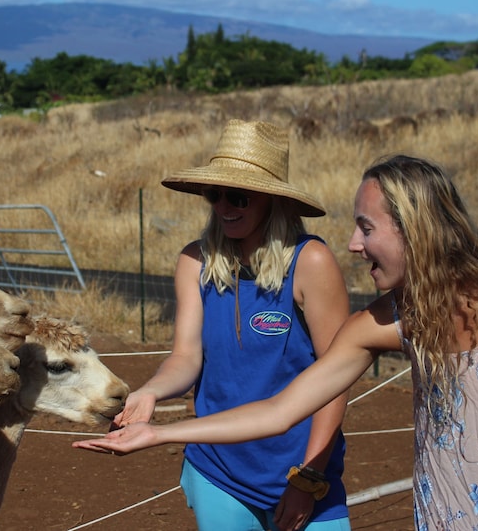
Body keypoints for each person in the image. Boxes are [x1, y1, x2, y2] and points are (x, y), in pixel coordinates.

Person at [76, 154, 478, 530]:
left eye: (366, 228)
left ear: (415, 229)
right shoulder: (388, 321)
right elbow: (280, 410)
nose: (351, 244)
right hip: (449, 515)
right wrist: (160, 434)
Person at [108, 119, 352, 531]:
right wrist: (150, 391)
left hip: (302, 466)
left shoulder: (310, 262)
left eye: (238, 196)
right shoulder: (194, 261)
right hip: (218, 469)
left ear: (273, 200)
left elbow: (338, 377)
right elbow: (186, 358)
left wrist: (308, 480)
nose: (224, 207)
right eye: (214, 194)